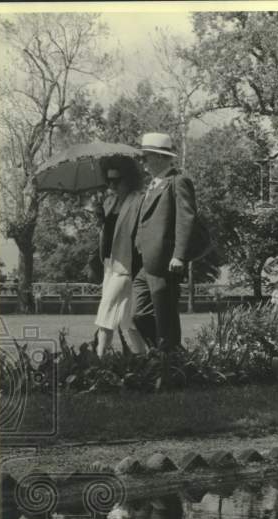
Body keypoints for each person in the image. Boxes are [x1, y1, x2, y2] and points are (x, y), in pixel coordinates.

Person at [132, 132, 198, 352]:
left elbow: (185, 219)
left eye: (146, 157)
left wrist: (179, 255)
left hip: (165, 263)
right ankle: (168, 353)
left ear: (161, 157)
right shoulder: (152, 186)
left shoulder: (178, 182)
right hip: (146, 263)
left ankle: (171, 363)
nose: (143, 163)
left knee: (166, 318)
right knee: (139, 314)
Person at [95, 161, 148, 356]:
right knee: (127, 318)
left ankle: (99, 357)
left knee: (105, 310)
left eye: (116, 180)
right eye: (108, 180)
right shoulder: (108, 202)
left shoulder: (139, 200)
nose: (112, 185)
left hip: (127, 265)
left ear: (129, 179)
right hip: (109, 264)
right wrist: (101, 221)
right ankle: (143, 357)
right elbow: (109, 233)